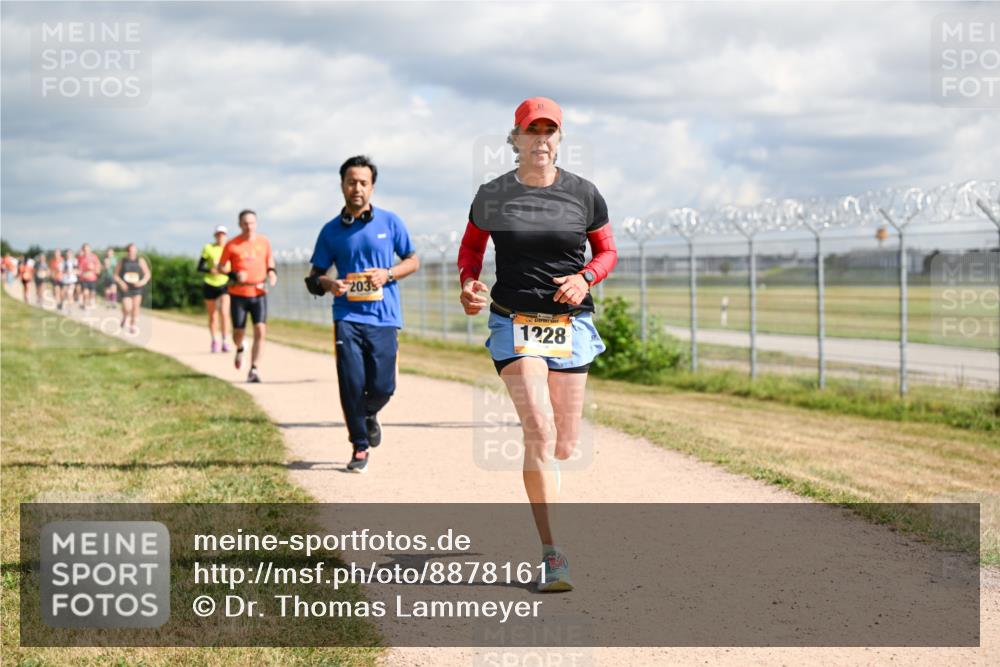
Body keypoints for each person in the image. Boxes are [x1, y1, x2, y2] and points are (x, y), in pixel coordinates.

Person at [457, 97, 618, 592]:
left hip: (570, 326)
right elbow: (470, 249)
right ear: (517, 138)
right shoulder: (493, 195)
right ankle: (553, 554)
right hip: (514, 321)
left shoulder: (584, 194)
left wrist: (586, 278)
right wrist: (468, 283)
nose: (541, 139)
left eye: (550, 131)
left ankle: (549, 502)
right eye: (533, 131)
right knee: (540, 431)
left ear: (559, 139)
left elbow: (608, 250)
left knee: (566, 442)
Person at [305, 155, 420, 473]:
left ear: (372, 187)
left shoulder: (390, 222)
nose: (357, 188)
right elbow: (314, 278)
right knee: (351, 383)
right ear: (342, 185)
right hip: (347, 317)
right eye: (351, 182)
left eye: (363, 183)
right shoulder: (330, 231)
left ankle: (368, 415)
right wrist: (329, 283)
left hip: (384, 317)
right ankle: (359, 446)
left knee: (384, 386)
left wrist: (388, 274)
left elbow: (413, 260)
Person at [217, 210, 276, 382]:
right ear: (240, 224)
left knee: (260, 330)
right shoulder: (232, 244)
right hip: (238, 294)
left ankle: (254, 369)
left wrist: (272, 272)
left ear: (256, 224)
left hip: (259, 292)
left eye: (252, 223)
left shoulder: (264, 241)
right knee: (238, 333)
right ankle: (240, 347)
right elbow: (221, 267)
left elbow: (269, 260)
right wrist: (234, 275)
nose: (249, 226)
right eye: (245, 223)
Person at [197, 225, 231, 353]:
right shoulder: (208, 248)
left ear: (226, 236)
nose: (220, 236)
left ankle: (225, 340)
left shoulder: (230, 249)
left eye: (223, 234)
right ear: (215, 235)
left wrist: (229, 272)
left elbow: (234, 268)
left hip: (224, 284)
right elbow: (199, 267)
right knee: (213, 316)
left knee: (224, 312)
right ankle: (214, 340)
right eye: (218, 234)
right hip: (210, 283)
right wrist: (209, 270)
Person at [114, 243, 151, 334]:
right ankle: (125, 316)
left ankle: (132, 325)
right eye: (130, 251)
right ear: (127, 251)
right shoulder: (122, 261)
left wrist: (142, 282)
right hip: (126, 287)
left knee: (135, 307)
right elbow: (115, 275)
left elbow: (147, 274)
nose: (132, 252)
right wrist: (121, 283)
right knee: (127, 307)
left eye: (134, 250)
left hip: (137, 287)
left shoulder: (140, 260)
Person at [77, 243, 101, 309]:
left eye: (87, 249)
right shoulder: (81, 258)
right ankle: (85, 305)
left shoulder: (94, 257)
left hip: (92, 278)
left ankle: (91, 302)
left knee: (92, 293)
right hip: (84, 279)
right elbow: (79, 269)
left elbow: (98, 266)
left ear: (90, 249)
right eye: (85, 250)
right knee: (85, 292)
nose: (86, 251)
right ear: (83, 250)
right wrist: (81, 272)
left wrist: (94, 269)